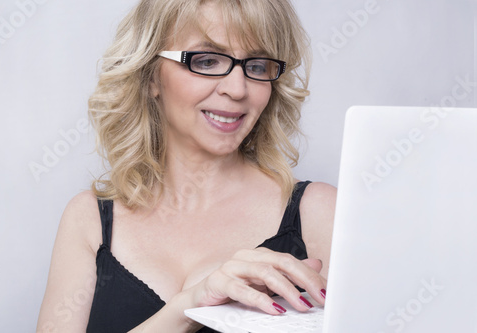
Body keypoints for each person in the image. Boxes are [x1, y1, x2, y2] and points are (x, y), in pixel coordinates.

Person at [37, 0, 336, 332]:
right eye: (207, 61)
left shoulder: (320, 213)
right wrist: (189, 306)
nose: (237, 89)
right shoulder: (88, 219)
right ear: (151, 76)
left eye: (256, 66)